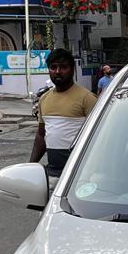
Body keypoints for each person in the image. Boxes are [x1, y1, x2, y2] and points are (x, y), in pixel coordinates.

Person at [30, 48, 97, 177]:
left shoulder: (87, 98)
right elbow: (41, 135)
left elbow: (100, 137)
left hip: (81, 174)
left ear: (72, 69)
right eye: (53, 67)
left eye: (63, 67)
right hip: (53, 173)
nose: (58, 71)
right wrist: (30, 166)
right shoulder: (44, 99)